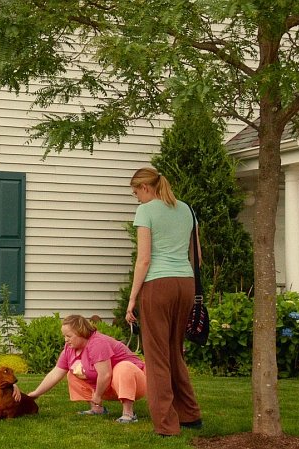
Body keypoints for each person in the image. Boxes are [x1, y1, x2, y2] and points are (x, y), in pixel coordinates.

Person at [125, 166, 202, 436]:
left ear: (146, 187)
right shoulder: (187, 210)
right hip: (185, 283)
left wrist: (132, 299)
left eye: (136, 193)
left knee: (156, 356)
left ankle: (167, 425)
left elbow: (144, 259)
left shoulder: (146, 211)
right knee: (174, 351)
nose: (137, 198)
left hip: (158, 285)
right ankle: (190, 415)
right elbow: (197, 256)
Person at [28, 314, 146, 424]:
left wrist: (98, 395)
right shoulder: (70, 348)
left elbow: (105, 374)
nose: (65, 340)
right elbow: (56, 373)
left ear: (81, 332)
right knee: (74, 372)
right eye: (64, 336)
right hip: (112, 385)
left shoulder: (97, 343)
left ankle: (128, 413)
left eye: (69, 336)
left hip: (137, 383)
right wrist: (36, 393)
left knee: (123, 367)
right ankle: (97, 409)